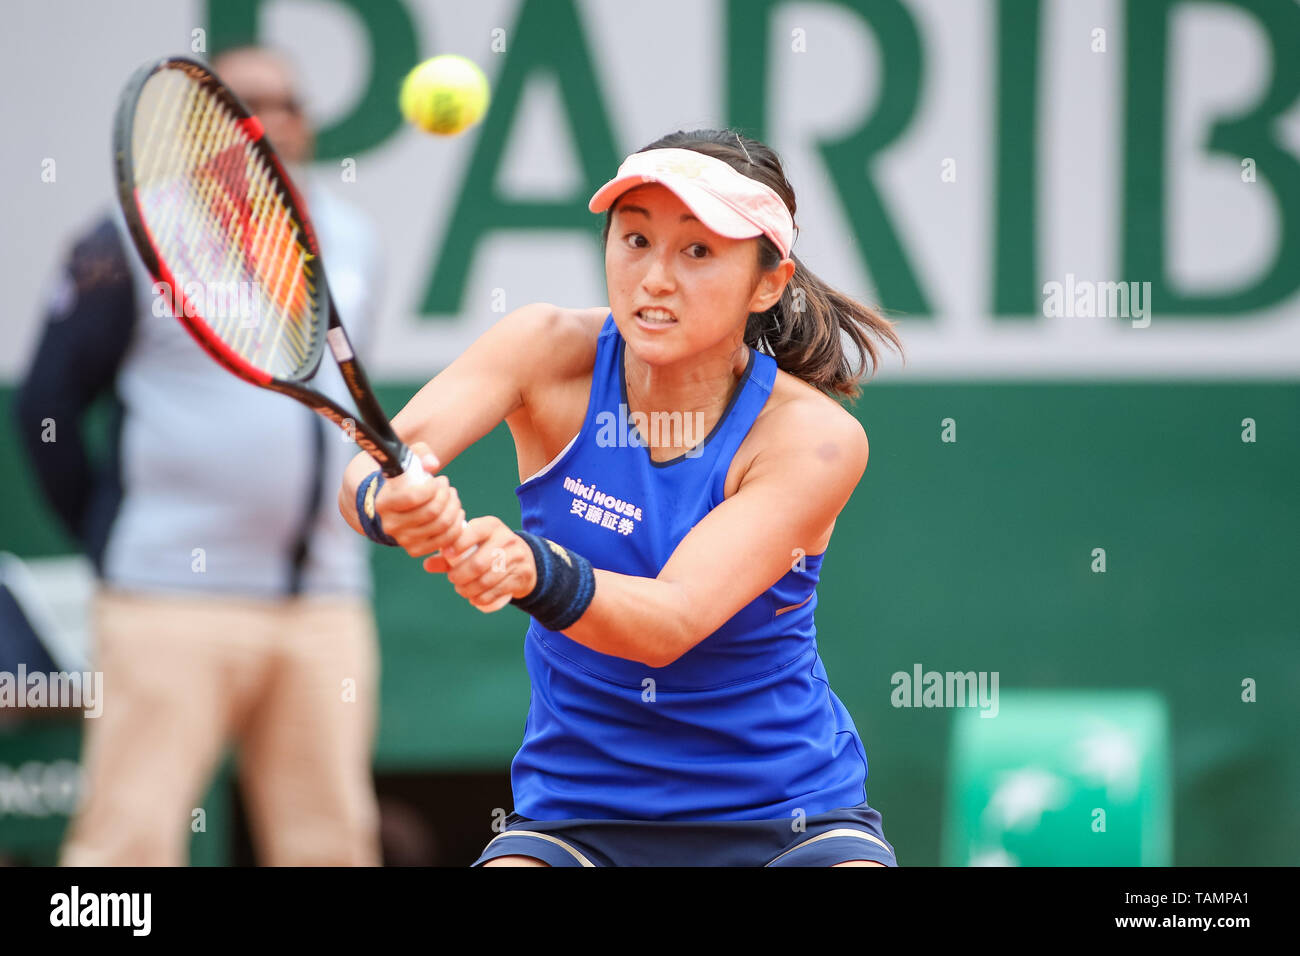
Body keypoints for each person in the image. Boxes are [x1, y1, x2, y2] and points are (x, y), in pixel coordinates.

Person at [338, 129, 904, 866]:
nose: (656, 278)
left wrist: (531, 567)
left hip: (787, 822)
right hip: (577, 821)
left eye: (697, 251)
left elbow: (671, 623)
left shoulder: (813, 438)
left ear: (768, 282)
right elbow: (370, 470)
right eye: (634, 240)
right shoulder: (541, 349)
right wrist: (393, 504)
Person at [15, 46, 384, 866]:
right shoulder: (125, 241)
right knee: (128, 844)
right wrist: (118, 542)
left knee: (333, 846)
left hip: (327, 601)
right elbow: (46, 406)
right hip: (165, 600)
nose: (260, 126)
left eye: (281, 106)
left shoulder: (356, 241)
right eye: (235, 108)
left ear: (306, 127)